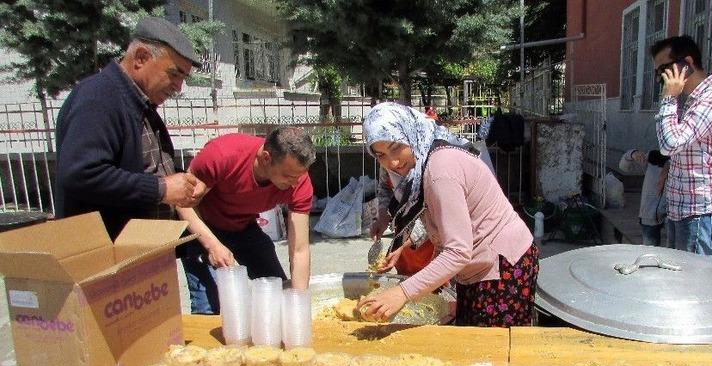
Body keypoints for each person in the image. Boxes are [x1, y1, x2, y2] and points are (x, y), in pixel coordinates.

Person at [358, 103, 538, 327]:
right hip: (477, 265)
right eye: (381, 155)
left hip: (502, 266)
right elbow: (441, 225)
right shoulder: (424, 162)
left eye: (396, 147)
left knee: (490, 352)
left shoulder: (440, 171)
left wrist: (401, 293)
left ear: (410, 133)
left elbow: (458, 252)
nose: (392, 162)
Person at [55, 17, 202, 239]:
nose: (178, 86)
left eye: (183, 77)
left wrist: (183, 182)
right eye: (174, 73)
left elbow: (143, 166)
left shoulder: (140, 102)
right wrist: (161, 189)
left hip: (144, 250)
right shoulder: (99, 97)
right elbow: (81, 174)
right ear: (141, 57)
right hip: (107, 255)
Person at [178, 127, 315, 314]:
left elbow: (299, 249)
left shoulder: (298, 180)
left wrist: (299, 304)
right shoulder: (223, 154)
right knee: (210, 308)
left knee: (278, 293)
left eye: (299, 176)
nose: (295, 183)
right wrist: (213, 246)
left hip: (244, 227)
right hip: (203, 228)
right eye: (288, 176)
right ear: (266, 158)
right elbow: (182, 204)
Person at [652, 35, 712, 257]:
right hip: (683, 209)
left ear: (686, 64)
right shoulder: (692, 101)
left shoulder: (711, 100)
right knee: (676, 281)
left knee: (692, 287)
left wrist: (668, 99)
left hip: (699, 212)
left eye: (664, 70)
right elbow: (689, 150)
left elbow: (670, 143)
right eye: (658, 73)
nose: (661, 79)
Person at [618, 149, 669, 246]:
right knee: (650, 254)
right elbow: (623, 167)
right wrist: (632, 154)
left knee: (674, 254)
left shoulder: (683, 161)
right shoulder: (654, 157)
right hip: (649, 215)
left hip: (672, 216)